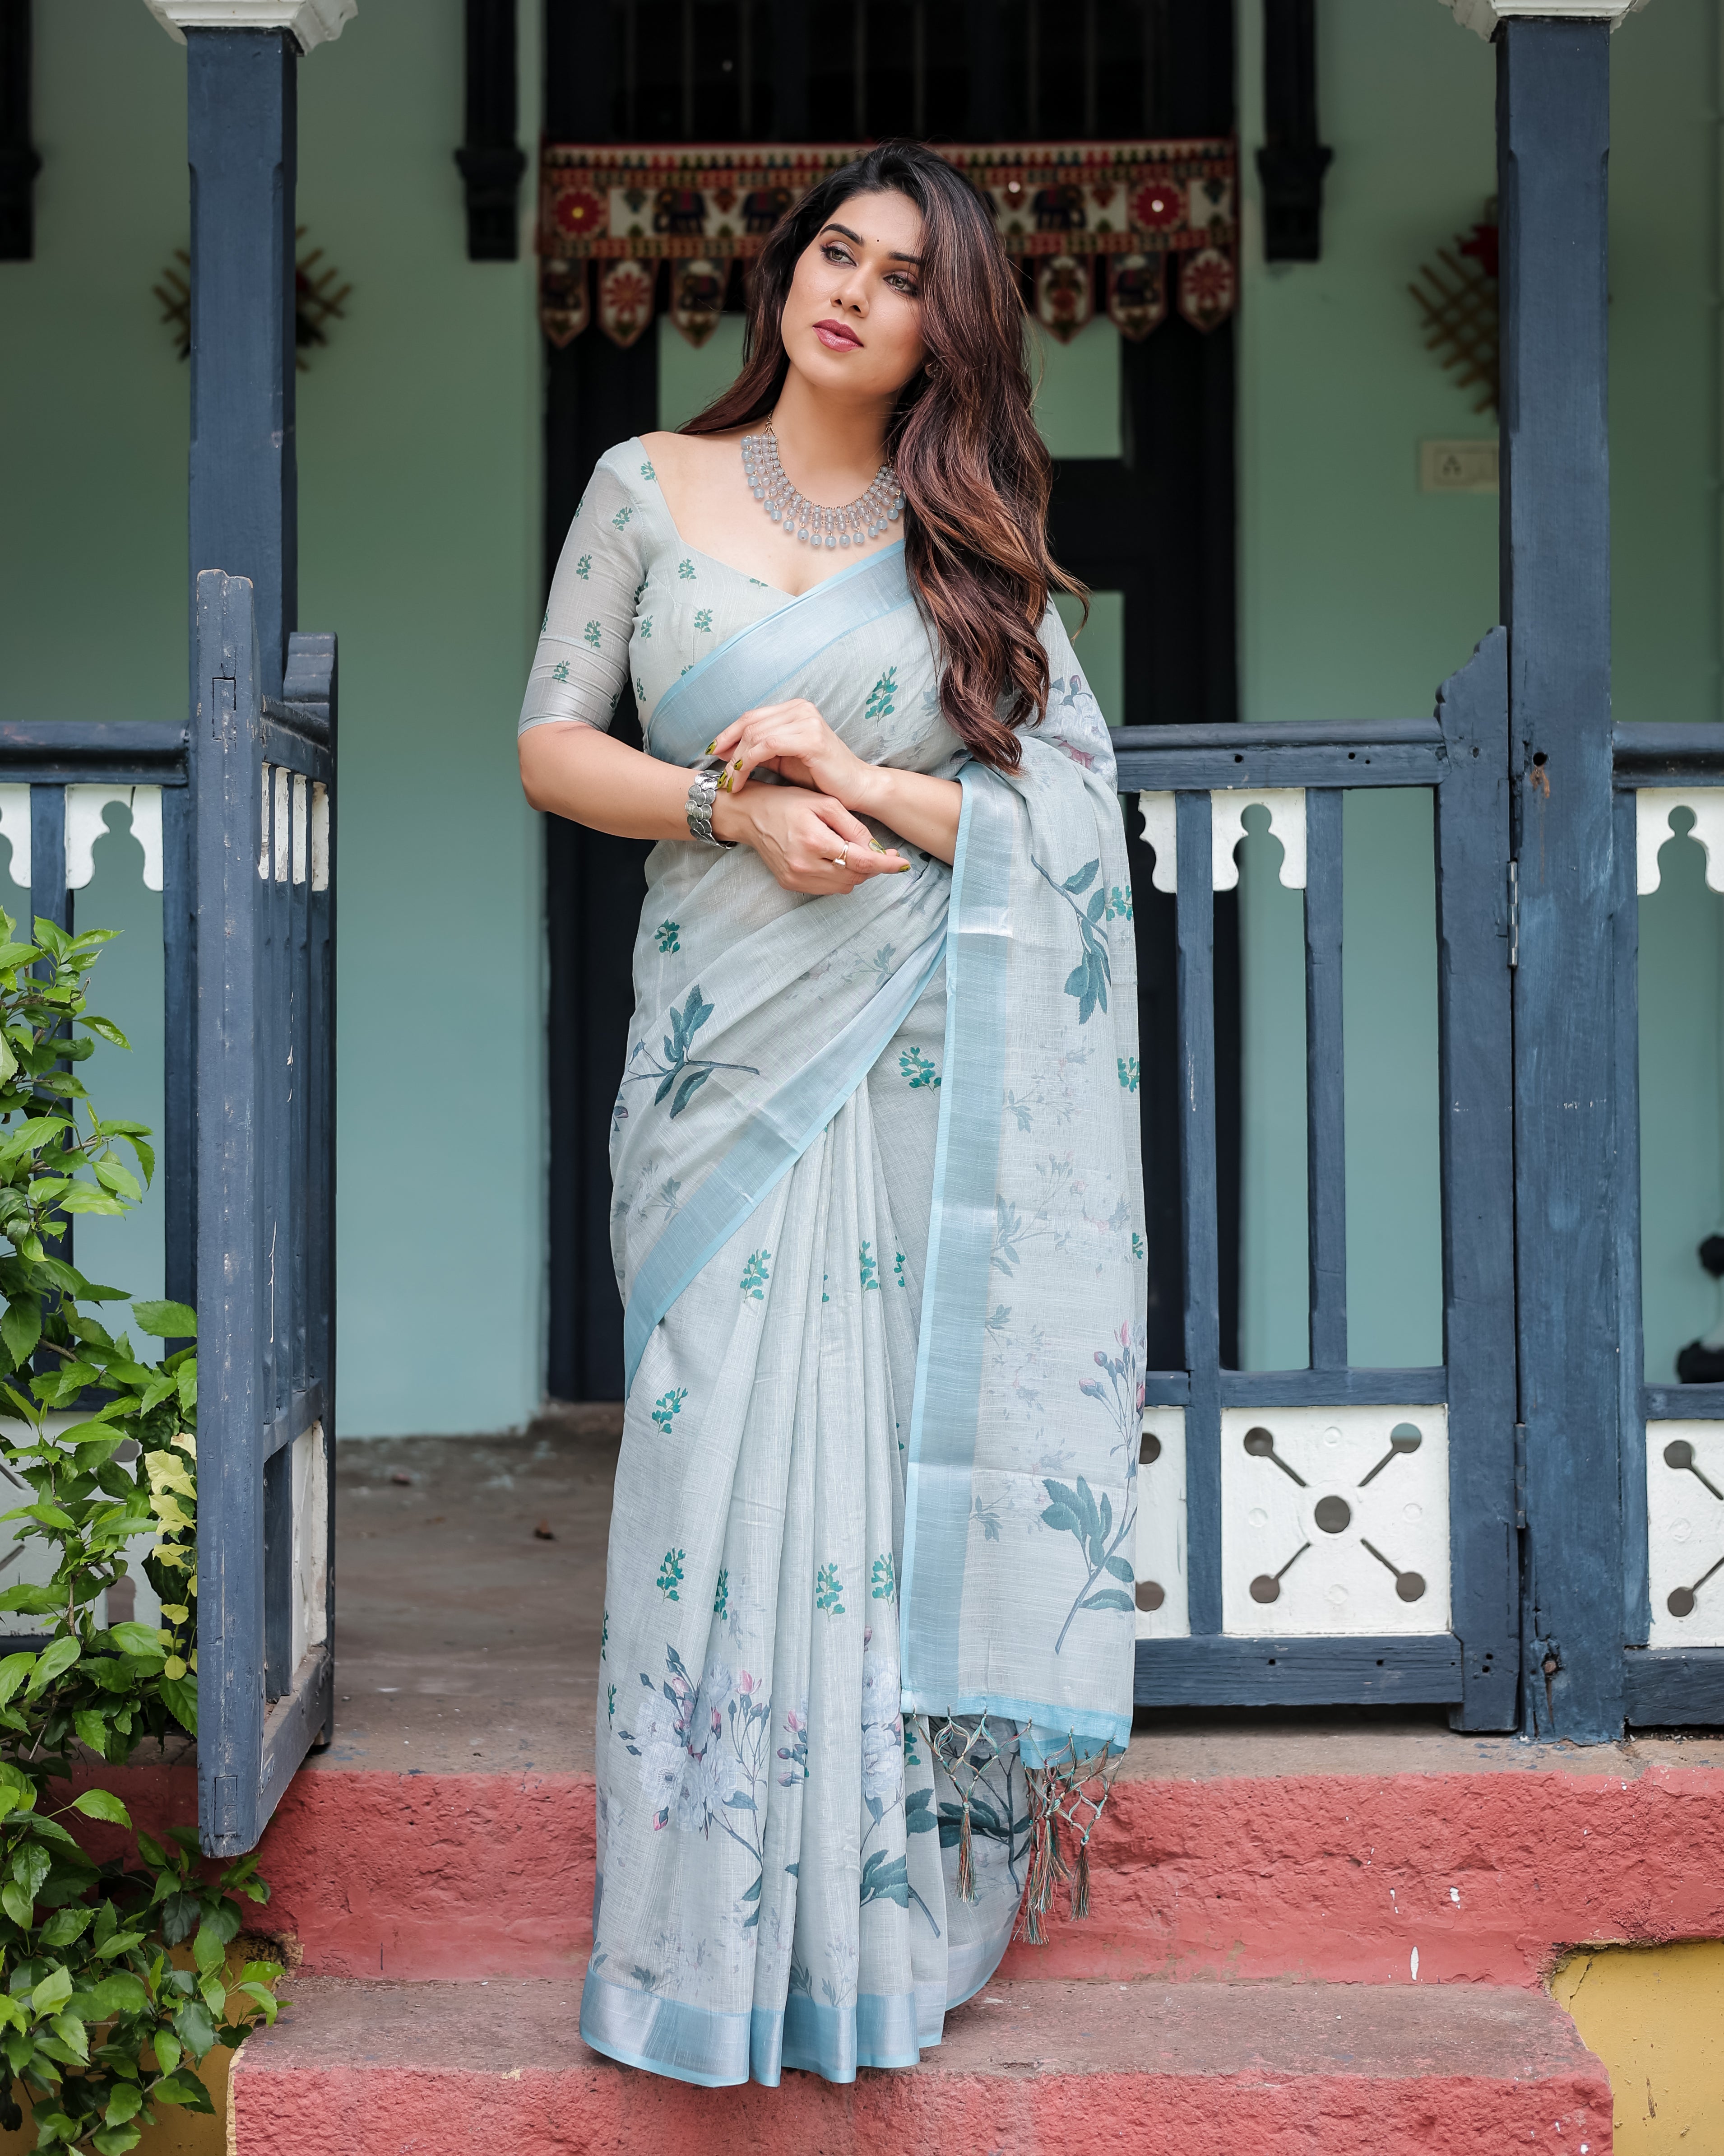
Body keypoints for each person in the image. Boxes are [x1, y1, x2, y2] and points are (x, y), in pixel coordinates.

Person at [518, 140, 1145, 2091]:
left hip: (904, 1070)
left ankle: (868, 1937)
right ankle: (699, 1945)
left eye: (899, 278)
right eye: (834, 252)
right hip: (717, 1063)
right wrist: (729, 809)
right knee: (711, 1460)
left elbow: (1064, 820)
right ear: (786, 270)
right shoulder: (645, 485)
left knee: (873, 1478)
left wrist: (853, 784)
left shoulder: (972, 545)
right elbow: (552, 743)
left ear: (944, 335)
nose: (850, 291)